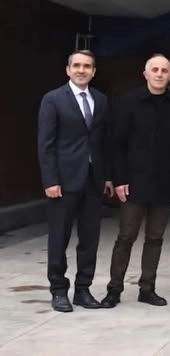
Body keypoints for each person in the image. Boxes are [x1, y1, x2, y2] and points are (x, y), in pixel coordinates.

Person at [101, 54, 170, 307]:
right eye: (155, 69)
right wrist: (119, 180)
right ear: (145, 74)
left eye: (164, 70)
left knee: (155, 238)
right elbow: (117, 144)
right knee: (126, 237)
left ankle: (147, 289)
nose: (159, 74)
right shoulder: (128, 102)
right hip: (133, 184)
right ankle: (114, 289)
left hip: (163, 184)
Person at [37, 49, 113, 312]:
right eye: (77, 65)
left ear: (94, 71)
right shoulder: (53, 99)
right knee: (59, 238)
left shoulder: (101, 100)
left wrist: (107, 177)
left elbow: (103, 142)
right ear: (68, 70)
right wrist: (50, 180)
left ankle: (83, 289)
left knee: (90, 239)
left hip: (93, 180)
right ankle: (59, 290)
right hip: (63, 182)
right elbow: (45, 144)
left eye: (87, 66)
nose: (82, 70)